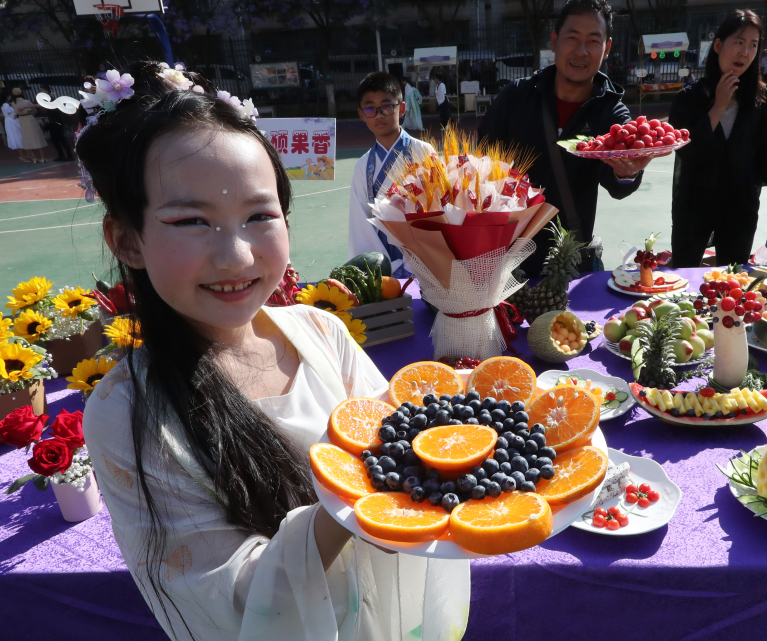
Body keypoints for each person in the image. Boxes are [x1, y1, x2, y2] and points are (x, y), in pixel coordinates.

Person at [78, 61, 469, 641]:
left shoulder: (321, 332)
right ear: (127, 240)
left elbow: (399, 444)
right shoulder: (128, 412)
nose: (236, 257)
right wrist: (359, 497)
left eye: (260, 215)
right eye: (191, 220)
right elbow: (232, 605)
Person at [477, 0, 663, 276]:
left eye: (593, 41)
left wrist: (628, 172)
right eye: (572, 38)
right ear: (554, 41)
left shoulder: (611, 112)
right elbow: (479, 165)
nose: (581, 51)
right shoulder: (515, 97)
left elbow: (618, 186)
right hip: (508, 260)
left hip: (571, 263)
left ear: (607, 48)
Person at [669, 9, 767, 266]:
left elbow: (765, 155)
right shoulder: (689, 98)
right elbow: (686, 151)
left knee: (733, 278)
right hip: (694, 204)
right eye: (738, 42)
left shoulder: (760, 100)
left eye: (753, 45)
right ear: (718, 45)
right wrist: (718, 106)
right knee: (686, 274)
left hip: (740, 206)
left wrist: (746, 187)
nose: (745, 52)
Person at [348, 72, 434, 279]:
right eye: (370, 109)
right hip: (383, 269)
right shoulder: (363, 166)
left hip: (424, 262)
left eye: (387, 106)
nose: (379, 115)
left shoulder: (424, 152)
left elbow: (438, 209)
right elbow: (361, 222)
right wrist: (383, 268)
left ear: (401, 108)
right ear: (362, 114)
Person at [38, 85, 73, 161]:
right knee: (54, 140)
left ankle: (70, 156)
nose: (40, 92)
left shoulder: (52, 100)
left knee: (62, 139)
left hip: (57, 123)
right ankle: (61, 155)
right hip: (52, 122)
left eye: (42, 90)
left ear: (46, 91)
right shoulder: (47, 101)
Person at [12, 87, 46, 162]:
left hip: (22, 120)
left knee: (27, 139)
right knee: (37, 138)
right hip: (30, 119)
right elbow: (34, 110)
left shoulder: (14, 104)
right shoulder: (26, 101)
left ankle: (34, 158)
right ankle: (42, 158)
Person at [2, 93, 25, 163]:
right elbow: (10, 113)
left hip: (11, 121)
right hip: (11, 121)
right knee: (16, 137)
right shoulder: (5, 105)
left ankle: (23, 154)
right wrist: (16, 109)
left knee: (18, 136)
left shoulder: (6, 104)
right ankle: (22, 155)